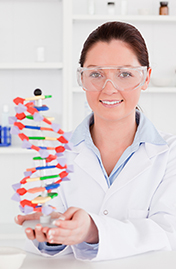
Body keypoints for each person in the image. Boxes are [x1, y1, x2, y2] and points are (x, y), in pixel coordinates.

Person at [15, 21, 176, 261]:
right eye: (96, 74)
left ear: (145, 78)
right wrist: (51, 234)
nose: (109, 89)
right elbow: (43, 243)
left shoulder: (169, 153)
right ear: (82, 79)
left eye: (125, 74)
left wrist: (92, 230)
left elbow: (168, 235)